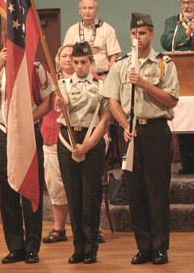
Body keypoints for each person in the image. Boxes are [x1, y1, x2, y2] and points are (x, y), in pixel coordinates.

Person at [102, 13, 179, 265]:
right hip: (131, 133)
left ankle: (159, 248)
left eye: (143, 33)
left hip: (156, 131)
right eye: (134, 33)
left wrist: (144, 84)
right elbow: (111, 99)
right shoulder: (121, 64)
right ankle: (144, 247)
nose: (138, 37)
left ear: (152, 34)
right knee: (136, 193)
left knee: (157, 192)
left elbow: (171, 100)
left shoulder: (164, 64)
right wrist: (124, 124)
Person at [0, 48, 54, 264]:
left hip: (29, 133)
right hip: (3, 134)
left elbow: (47, 104)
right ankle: (15, 246)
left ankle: (32, 247)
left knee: (31, 192)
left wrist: (24, 121)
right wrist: (0, 64)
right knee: (7, 193)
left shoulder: (36, 68)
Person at [56, 42, 110, 264]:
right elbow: (60, 106)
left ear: (91, 62)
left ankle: (91, 249)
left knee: (90, 197)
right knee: (74, 196)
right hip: (68, 140)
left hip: (92, 140)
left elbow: (105, 118)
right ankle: (78, 248)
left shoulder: (102, 85)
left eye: (83, 62)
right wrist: (62, 102)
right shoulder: (62, 85)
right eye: (75, 61)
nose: (78, 66)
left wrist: (88, 145)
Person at [41, 44, 73, 244]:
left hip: (80, 140)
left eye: (72, 56)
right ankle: (59, 229)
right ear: (57, 60)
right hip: (52, 137)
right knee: (56, 186)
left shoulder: (93, 81)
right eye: (64, 56)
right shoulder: (50, 83)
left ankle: (92, 228)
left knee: (85, 186)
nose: (68, 59)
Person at [161, 0, 194, 174]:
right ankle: (188, 164)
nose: (186, 6)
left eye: (190, 2)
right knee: (185, 122)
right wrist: (187, 34)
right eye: (183, 2)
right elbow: (166, 42)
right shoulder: (173, 22)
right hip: (182, 79)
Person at [63, 0, 121, 76]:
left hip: (102, 77)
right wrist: (85, 49)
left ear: (97, 10)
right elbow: (66, 55)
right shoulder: (72, 30)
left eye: (90, 8)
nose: (87, 11)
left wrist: (110, 79)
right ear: (79, 10)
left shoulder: (108, 29)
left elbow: (114, 57)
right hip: (78, 79)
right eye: (84, 8)